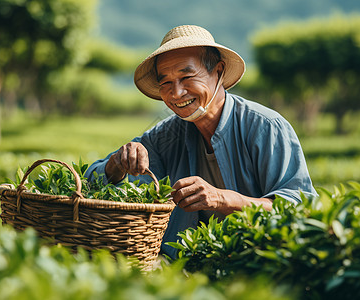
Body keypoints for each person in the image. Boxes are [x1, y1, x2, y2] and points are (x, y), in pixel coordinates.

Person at [85, 25, 316, 259]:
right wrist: (117, 163)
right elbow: (90, 183)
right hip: (184, 264)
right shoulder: (164, 136)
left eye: (186, 77)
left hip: (257, 260)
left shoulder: (265, 126)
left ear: (218, 72)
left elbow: (299, 206)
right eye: (165, 82)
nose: (176, 93)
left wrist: (222, 198)